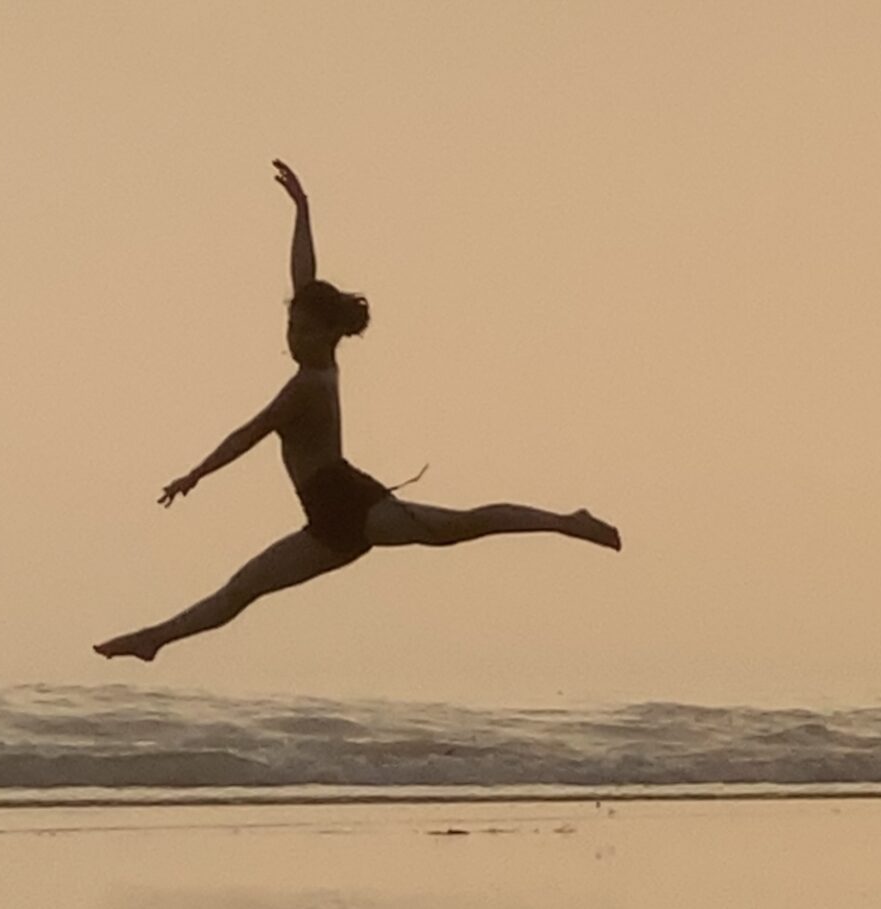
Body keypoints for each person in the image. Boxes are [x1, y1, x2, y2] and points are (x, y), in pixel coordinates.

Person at [94, 160, 620, 662]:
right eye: (289, 327)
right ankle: (154, 640)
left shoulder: (307, 387)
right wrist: (301, 208)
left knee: (462, 526)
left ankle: (565, 522)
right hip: (326, 524)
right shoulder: (320, 359)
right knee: (242, 590)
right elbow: (305, 276)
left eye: (302, 330)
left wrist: (195, 474)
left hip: (354, 508)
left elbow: (249, 434)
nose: (292, 336)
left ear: (326, 334)